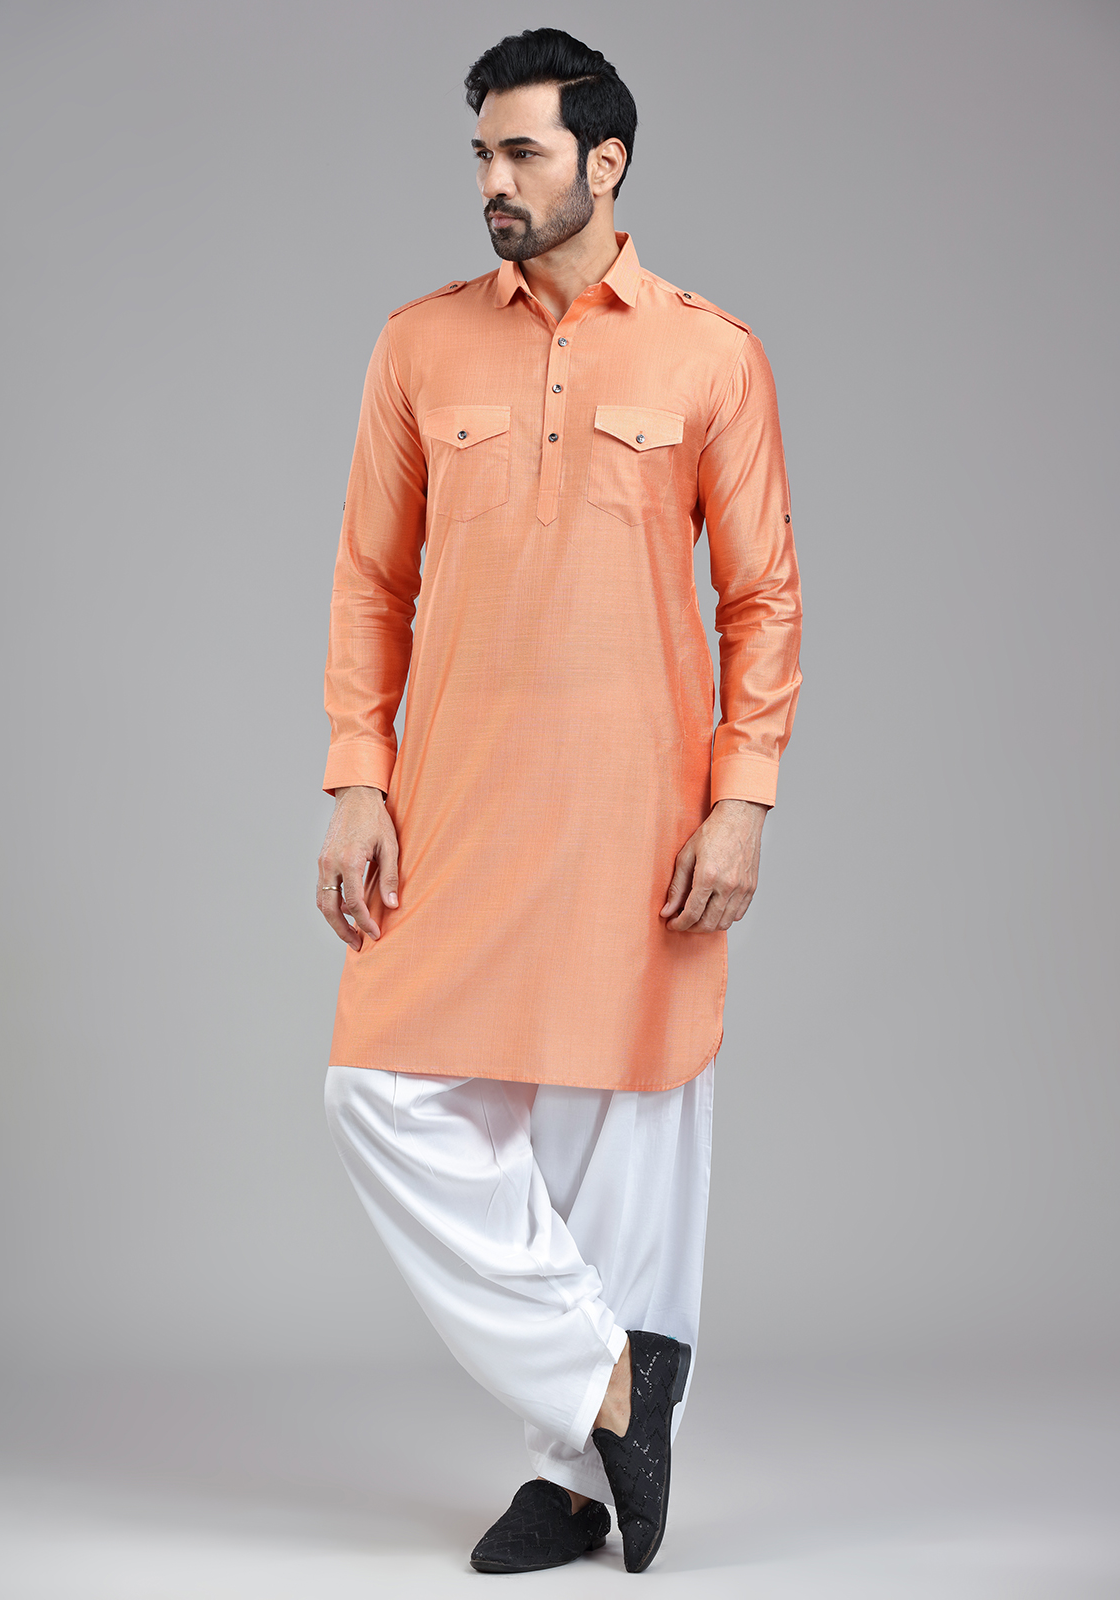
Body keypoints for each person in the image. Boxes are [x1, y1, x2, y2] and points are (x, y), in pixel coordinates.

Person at [317, 27, 802, 1575]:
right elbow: (370, 583)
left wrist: (741, 801)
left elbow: (764, 601)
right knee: (380, 1093)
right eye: (481, 153)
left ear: (607, 160)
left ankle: (573, 1480)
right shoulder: (419, 345)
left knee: (625, 1130)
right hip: (456, 800)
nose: (494, 181)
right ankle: (610, 1385)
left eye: (521, 152)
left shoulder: (710, 354)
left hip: (638, 808)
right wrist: (358, 777)